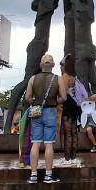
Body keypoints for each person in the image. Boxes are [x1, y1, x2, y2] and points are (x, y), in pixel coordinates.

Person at [25, 53, 64, 183]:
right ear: (53, 65)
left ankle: (33, 175)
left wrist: (36, 101)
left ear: (40, 65)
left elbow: (27, 98)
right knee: (49, 144)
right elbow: (63, 98)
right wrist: (55, 100)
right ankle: (48, 175)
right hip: (51, 112)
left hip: (36, 112)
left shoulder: (33, 79)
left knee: (35, 143)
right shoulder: (58, 79)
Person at [58, 55, 82, 167]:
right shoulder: (74, 77)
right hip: (76, 106)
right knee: (74, 132)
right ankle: (73, 157)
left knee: (67, 133)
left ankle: (67, 158)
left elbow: (63, 93)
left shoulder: (65, 76)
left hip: (68, 105)